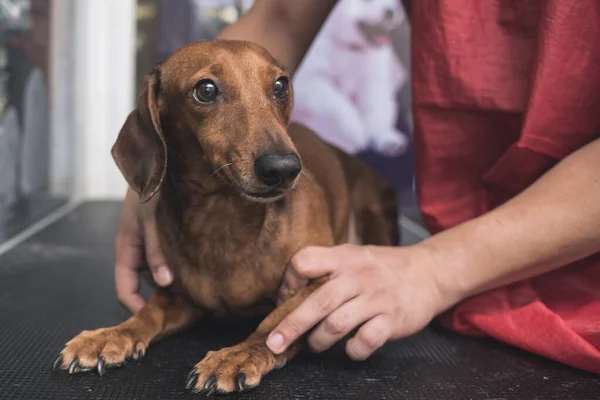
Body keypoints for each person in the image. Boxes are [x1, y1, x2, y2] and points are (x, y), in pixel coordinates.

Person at [114, 0, 600, 374]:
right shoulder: (165, 138)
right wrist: (149, 172)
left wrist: (433, 270)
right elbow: (282, 13)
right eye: (206, 91)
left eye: (278, 87)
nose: (283, 162)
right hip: (461, 243)